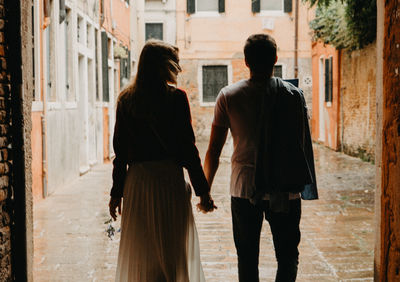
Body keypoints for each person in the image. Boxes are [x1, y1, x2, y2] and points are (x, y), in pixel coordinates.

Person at [204, 34, 318, 282]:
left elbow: (213, 151)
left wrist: (205, 191)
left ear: (246, 61)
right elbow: (300, 145)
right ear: (275, 59)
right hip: (284, 188)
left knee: (247, 258)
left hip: (244, 188)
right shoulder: (293, 95)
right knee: (288, 256)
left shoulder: (228, 95)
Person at [109, 40, 216, 282]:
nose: (178, 67)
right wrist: (203, 191)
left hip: (138, 184)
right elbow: (188, 150)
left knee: (144, 253)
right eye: (174, 62)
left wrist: (116, 193)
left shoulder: (126, 100)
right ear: (163, 66)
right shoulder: (176, 98)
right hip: (169, 182)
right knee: (173, 252)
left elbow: (120, 154)